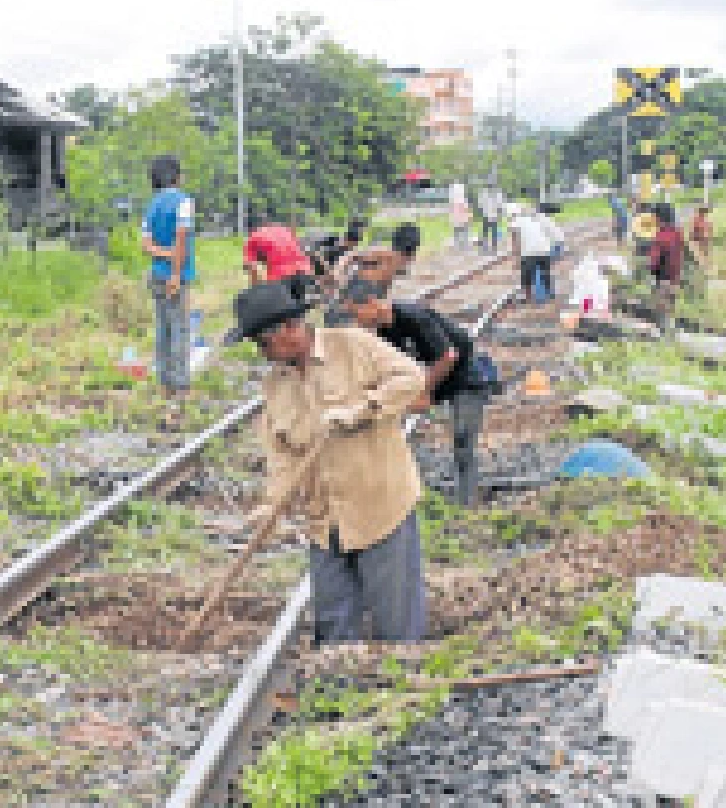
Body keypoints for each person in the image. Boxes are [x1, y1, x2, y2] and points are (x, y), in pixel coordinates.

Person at [227, 282, 427, 644]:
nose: (262, 353)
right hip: (324, 519)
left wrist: (361, 410)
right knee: (333, 625)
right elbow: (282, 455)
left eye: (263, 343)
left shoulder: (353, 345)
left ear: (289, 329)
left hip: (380, 506)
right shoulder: (275, 384)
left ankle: (404, 675)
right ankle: (339, 675)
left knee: (396, 623)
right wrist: (272, 504)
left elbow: (412, 378)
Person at [344, 271, 488, 507]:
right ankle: (393, 493)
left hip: (463, 378)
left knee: (463, 437)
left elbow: (448, 356)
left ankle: (467, 502)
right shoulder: (384, 331)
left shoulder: (413, 316)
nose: (355, 320)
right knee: (384, 421)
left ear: (371, 303)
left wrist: (424, 392)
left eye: (355, 312)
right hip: (432, 378)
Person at [141, 155, 195, 398]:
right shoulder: (184, 202)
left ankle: (165, 384)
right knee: (179, 330)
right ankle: (181, 385)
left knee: (162, 329)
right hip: (176, 275)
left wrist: (165, 253)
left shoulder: (152, 205)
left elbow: (146, 246)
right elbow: (181, 237)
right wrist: (175, 271)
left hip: (155, 274)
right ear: (176, 176)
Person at [243, 221, 315, 303]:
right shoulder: (282, 229)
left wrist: (255, 291)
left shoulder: (252, 239)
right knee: (298, 304)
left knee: (275, 305)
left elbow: (253, 268)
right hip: (305, 272)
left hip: (282, 276)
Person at [508, 202, 559, 304]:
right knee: (545, 272)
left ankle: (527, 295)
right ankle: (549, 292)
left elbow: (515, 241)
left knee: (526, 274)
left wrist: (516, 257)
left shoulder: (515, 222)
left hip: (529, 251)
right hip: (544, 248)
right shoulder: (534, 217)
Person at [648, 202, 686, 331]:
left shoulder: (660, 237)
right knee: (671, 310)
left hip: (663, 279)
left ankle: (665, 336)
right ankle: (672, 333)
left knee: (662, 312)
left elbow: (654, 261)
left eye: (654, 217)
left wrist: (652, 275)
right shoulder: (678, 233)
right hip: (675, 278)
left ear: (660, 218)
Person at [477, 185, 503, 255]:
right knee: (487, 232)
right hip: (488, 215)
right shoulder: (485, 193)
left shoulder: (496, 193)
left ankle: (492, 247)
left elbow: (500, 205)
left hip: (492, 215)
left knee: (491, 232)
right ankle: (487, 247)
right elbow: (481, 204)